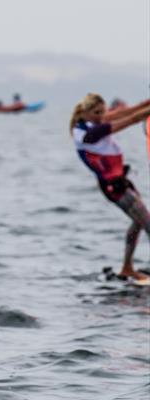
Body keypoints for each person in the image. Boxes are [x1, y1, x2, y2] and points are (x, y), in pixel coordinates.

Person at [70, 93, 150, 281]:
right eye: (97, 112)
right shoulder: (90, 134)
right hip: (113, 187)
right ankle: (127, 267)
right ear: (85, 112)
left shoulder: (91, 121)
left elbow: (132, 109)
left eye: (102, 112)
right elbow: (133, 118)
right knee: (147, 222)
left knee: (139, 222)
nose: (101, 116)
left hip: (121, 181)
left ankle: (127, 267)